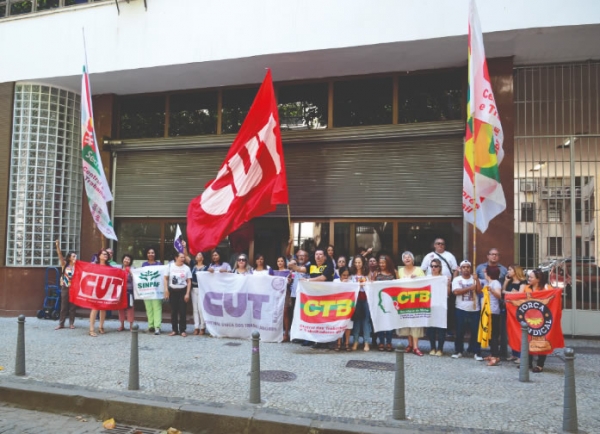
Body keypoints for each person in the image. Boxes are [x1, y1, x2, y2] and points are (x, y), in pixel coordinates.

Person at [421, 238, 459, 335]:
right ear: (434, 245)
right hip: (431, 288)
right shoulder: (428, 256)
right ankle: (430, 329)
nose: (440, 245)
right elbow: (423, 270)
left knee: (446, 308)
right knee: (432, 308)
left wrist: (452, 282)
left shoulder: (449, 256)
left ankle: (447, 329)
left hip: (445, 285)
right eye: (438, 243)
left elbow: (455, 270)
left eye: (442, 244)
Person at [451, 260, 483, 361]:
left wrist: (477, 280)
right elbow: (456, 292)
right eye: (464, 267)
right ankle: (458, 350)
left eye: (468, 267)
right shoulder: (457, 279)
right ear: (460, 269)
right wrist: (470, 288)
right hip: (461, 308)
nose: (466, 269)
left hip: (474, 309)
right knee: (460, 331)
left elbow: (479, 291)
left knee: (475, 332)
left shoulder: (475, 279)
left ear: (470, 268)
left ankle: (476, 351)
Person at [520, 268, 550, 373]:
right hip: (528, 318)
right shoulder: (527, 288)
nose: (529, 278)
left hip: (542, 319)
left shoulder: (547, 288)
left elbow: (554, 299)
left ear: (538, 279)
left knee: (541, 341)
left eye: (531, 277)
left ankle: (540, 364)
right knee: (528, 340)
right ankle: (528, 362)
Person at [304, 249, 335, 349]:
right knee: (316, 319)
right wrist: (293, 266)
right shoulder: (311, 266)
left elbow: (323, 278)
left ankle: (327, 341)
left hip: (327, 297)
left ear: (325, 257)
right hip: (315, 297)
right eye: (316, 254)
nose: (318, 256)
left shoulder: (329, 266)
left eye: (320, 254)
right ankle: (317, 340)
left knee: (326, 319)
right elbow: (301, 269)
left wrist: (308, 280)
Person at [397, 251, 426, 356]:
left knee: (415, 323)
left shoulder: (419, 270)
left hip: (416, 301)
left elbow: (425, 283)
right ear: (402, 260)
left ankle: (416, 347)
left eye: (409, 257)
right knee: (407, 323)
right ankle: (409, 344)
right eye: (405, 257)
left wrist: (417, 279)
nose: (407, 259)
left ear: (413, 259)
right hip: (404, 301)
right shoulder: (400, 271)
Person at [502, 264, 527, 363]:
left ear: (515, 271)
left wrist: (509, 293)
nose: (508, 271)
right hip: (509, 309)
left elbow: (520, 294)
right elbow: (503, 291)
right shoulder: (510, 282)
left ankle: (521, 355)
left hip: (518, 310)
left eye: (510, 269)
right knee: (511, 332)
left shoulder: (523, 282)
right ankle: (514, 353)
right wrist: (506, 281)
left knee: (518, 332)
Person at [164, 252, 192, 337]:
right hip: (172, 291)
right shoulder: (169, 266)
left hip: (182, 291)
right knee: (173, 311)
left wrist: (187, 293)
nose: (183, 259)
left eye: (184, 257)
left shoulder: (186, 268)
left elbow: (189, 281)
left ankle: (182, 330)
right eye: (181, 257)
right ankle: (174, 330)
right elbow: (165, 278)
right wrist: (166, 290)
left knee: (183, 311)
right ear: (176, 258)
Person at [426, 258, 450, 356]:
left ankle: (440, 349)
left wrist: (448, 284)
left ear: (440, 267)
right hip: (430, 306)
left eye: (436, 266)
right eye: (432, 266)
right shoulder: (427, 277)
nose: (434, 268)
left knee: (441, 328)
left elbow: (448, 293)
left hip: (441, 306)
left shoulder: (444, 278)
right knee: (430, 328)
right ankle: (432, 347)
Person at [375, 254, 397, 352]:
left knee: (389, 322)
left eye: (383, 262)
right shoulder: (376, 273)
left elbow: (399, 284)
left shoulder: (394, 272)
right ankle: (381, 341)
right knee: (380, 321)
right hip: (379, 301)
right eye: (380, 263)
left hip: (391, 301)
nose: (381, 264)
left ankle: (389, 342)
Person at [288, 249, 310, 343]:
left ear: (307, 257)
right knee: (295, 316)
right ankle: (297, 336)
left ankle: (305, 337)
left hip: (305, 295)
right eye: (299, 256)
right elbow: (289, 261)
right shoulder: (294, 266)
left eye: (303, 255)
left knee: (305, 316)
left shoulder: (309, 266)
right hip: (294, 294)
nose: (301, 257)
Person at [54, 240, 77, 330]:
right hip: (65, 287)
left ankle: (71, 323)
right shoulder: (65, 265)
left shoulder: (77, 266)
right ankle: (61, 323)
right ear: (69, 258)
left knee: (72, 307)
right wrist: (57, 246)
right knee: (64, 306)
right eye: (73, 256)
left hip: (74, 288)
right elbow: (60, 256)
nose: (75, 257)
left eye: (75, 256)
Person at [483, 265, 502, 366]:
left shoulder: (495, 283)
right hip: (488, 311)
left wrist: (492, 290)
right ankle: (493, 354)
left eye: (485, 272)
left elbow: (499, 295)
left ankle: (495, 356)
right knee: (490, 334)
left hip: (493, 311)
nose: (484, 273)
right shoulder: (489, 282)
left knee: (493, 334)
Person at [351, 255, 371, 351]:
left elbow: (372, 284)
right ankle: (355, 341)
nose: (357, 264)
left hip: (366, 299)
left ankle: (366, 342)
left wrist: (366, 283)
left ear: (363, 263)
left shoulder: (368, 273)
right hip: (355, 299)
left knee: (366, 320)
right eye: (356, 262)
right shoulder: (351, 274)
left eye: (359, 262)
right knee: (357, 321)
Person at [89, 249, 111, 337]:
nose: (106, 255)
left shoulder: (109, 266)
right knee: (94, 308)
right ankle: (91, 329)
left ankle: (101, 327)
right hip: (96, 288)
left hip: (105, 289)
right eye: (104, 254)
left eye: (107, 254)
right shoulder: (95, 265)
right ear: (99, 256)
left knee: (103, 308)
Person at [142, 247, 163, 335]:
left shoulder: (159, 264)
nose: (151, 254)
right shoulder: (144, 264)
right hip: (147, 290)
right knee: (149, 308)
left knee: (157, 308)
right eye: (149, 252)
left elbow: (162, 276)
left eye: (152, 252)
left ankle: (157, 327)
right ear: (147, 254)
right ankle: (150, 326)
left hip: (157, 290)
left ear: (155, 254)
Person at [334, 266, 353, 352]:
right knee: (339, 324)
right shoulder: (335, 281)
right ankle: (338, 342)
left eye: (347, 275)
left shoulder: (352, 282)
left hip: (348, 306)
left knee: (348, 325)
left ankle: (347, 343)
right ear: (340, 275)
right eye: (343, 275)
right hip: (338, 306)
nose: (345, 277)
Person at [189, 251, 209, 335]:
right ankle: (196, 327)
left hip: (201, 290)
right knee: (195, 309)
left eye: (199, 255)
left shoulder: (206, 268)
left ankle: (202, 327)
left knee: (201, 309)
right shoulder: (193, 266)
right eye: (197, 255)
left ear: (203, 258)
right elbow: (186, 256)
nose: (197, 256)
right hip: (193, 289)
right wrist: (184, 246)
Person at [273, 256, 292, 342]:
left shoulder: (288, 272)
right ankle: (276, 332)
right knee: (276, 313)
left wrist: (288, 280)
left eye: (281, 261)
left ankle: (286, 333)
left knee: (285, 313)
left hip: (285, 294)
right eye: (278, 261)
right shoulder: (273, 272)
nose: (280, 263)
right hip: (275, 294)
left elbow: (290, 282)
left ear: (284, 262)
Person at [118, 254, 135, 332]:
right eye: (125, 259)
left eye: (128, 259)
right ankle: (122, 325)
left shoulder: (133, 269)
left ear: (130, 261)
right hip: (120, 291)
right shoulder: (119, 268)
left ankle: (131, 326)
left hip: (129, 291)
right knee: (121, 308)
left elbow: (136, 278)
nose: (126, 260)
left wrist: (131, 272)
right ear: (122, 259)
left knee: (130, 308)